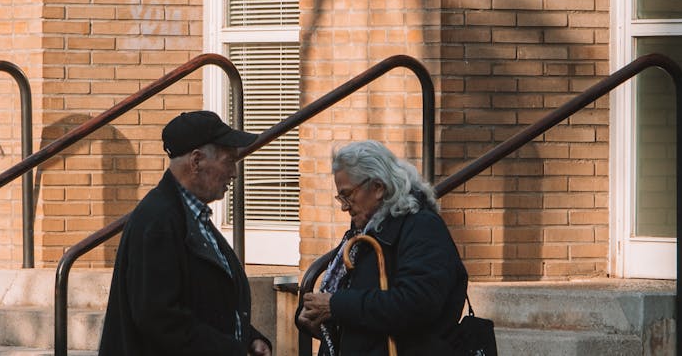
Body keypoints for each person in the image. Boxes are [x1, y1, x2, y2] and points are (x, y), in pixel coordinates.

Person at [98, 110, 272, 356]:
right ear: (196, 161)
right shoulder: (159, 221)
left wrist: (249, 338)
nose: (234, 172)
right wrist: (232, 349)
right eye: (228, 160)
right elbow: (159, 318)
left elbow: (204, 301)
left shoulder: (188, 216)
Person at [297, 140, 468, 356]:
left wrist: (336, 306)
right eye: (340, 197)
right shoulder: (367, 231)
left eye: (348, 195)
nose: (343, 206)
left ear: (378, 187)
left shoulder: (422, 227)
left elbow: (416, 304)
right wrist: (317, 318)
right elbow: (362, 307)